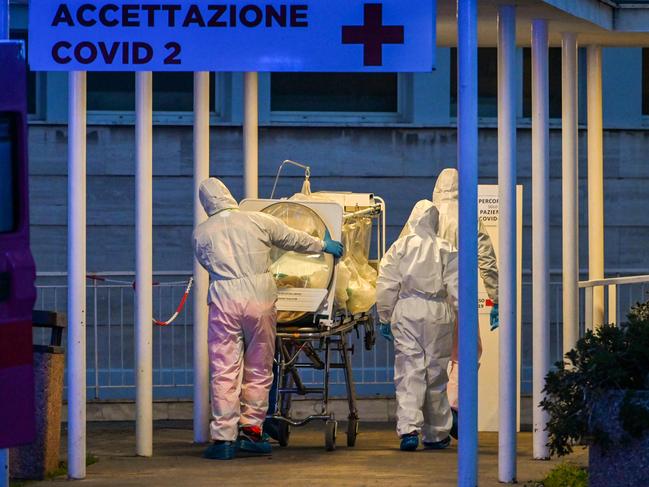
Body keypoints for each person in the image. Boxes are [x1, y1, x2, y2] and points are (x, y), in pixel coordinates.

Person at [193, 178, 343, 460]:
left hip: (224, 296)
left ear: (206, 203)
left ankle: (224, 439)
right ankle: (252, 431)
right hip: (260, 295)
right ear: (228, 194)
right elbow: (291, 238)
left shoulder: (202, 233)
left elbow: (205, 262)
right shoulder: (257, 220)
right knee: (260, 366)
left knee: (225, 369)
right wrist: (323, 245)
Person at [399, 167, 499, 438]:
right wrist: (496, 298)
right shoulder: (469, 217)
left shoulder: (422, 216)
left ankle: (419, 425)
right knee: (465, 353)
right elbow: (487, 259)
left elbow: (399, 258)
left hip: (425, 300)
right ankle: (453, 405)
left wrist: (391, 306)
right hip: (460, 298)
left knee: (424, 363)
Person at [376, 205, 459, 451]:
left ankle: (409, 429)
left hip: (407, 310)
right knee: (436, 373)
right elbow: (456, 286)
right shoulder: (446, 248)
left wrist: (384, 316)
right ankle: (437, 433)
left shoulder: (400, 247)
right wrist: (462, 313)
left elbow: (386, 283)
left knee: (409, 370)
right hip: (438, 313)